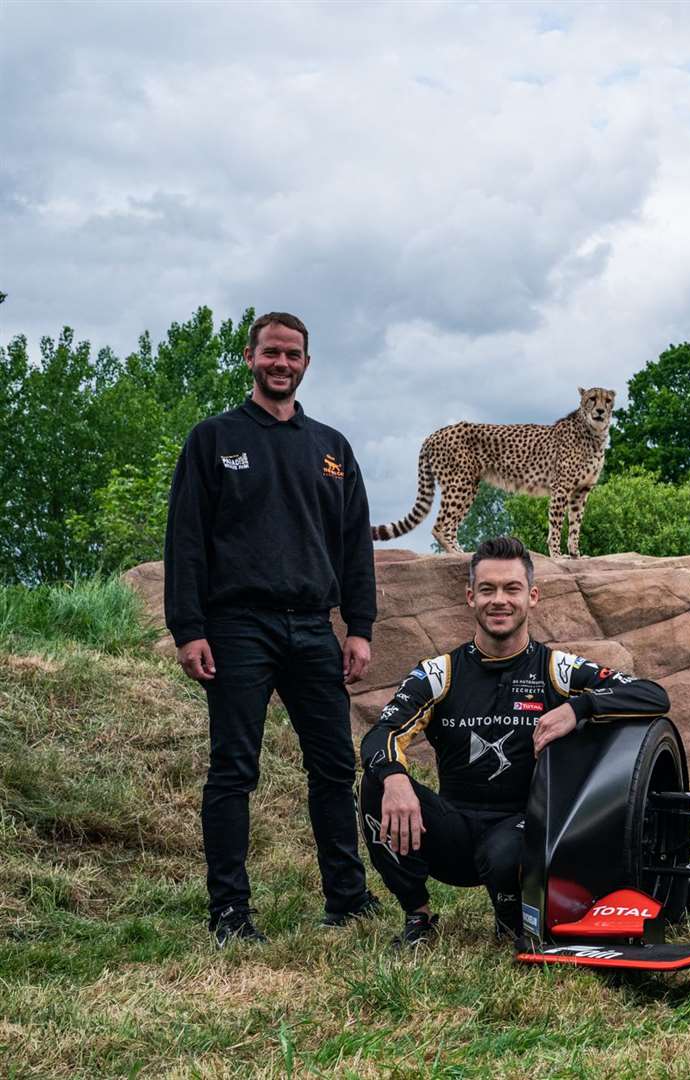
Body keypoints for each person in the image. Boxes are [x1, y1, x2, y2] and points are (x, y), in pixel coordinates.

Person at [164, 311, 380, 945]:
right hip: (236, 628)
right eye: (271, 353)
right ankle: (230, 913)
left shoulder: (332, 449)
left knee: (336, 766)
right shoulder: (213, 439)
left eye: (293, 355)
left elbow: (353, 548)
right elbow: (185, 541)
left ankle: (347, 897)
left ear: (307, 364)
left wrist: (359, 627)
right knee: (234, 769)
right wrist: (188, 628)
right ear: (251, 358)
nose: (281, 364)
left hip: (313, 628)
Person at [359, 535, 670, 948]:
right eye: (487, 589)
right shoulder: (440, 671)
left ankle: (513, 918)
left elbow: (653, 695)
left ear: (532, 596)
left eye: (511, 589)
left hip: (525, 827)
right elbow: (381, 733)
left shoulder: (557, 668)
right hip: (454, 829)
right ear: (470, 597)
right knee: (374, 783)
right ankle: (419, 917)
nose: (499, 600)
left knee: (504, 854)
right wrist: (394, 777)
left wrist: (579, 708)